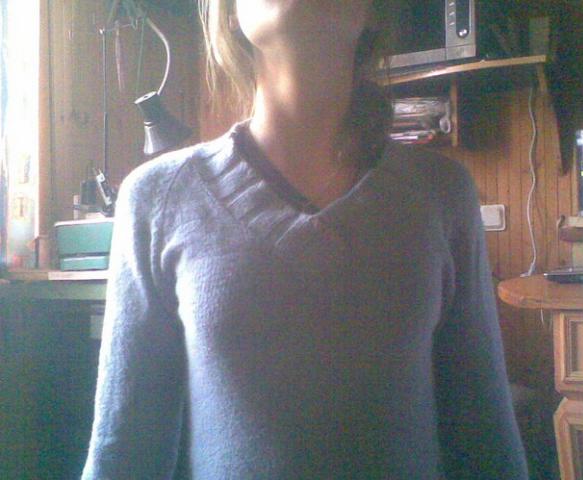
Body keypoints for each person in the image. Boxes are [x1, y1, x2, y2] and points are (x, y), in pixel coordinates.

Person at [82, 1, 528, 478]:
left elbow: (486, 440)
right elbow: (124, 452)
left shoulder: (441, 193)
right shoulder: (157, 198)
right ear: (227, 14)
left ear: (371, 13)